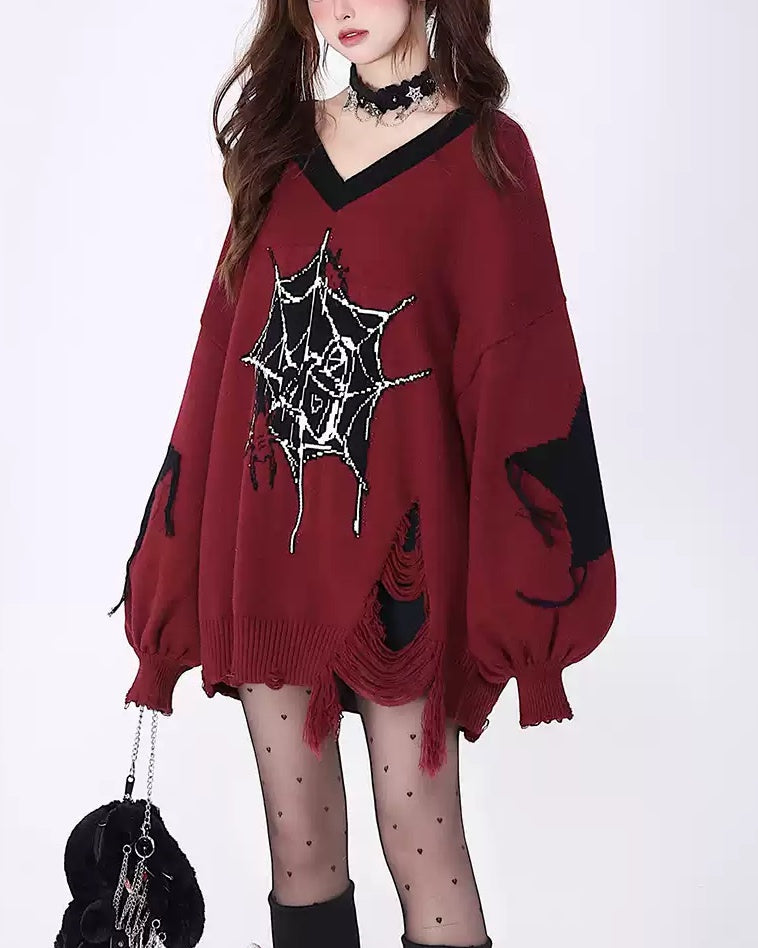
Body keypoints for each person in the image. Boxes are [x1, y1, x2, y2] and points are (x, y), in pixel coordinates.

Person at [108, 2, 617, 946]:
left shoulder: (487, 157)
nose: (341, 5)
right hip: (268, 543)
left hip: (402, 563)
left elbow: (521, 377)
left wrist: (528, 597)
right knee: (298, 848)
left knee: (420, 834)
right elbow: (222, 358)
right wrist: (169, 564)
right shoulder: (284, 147)